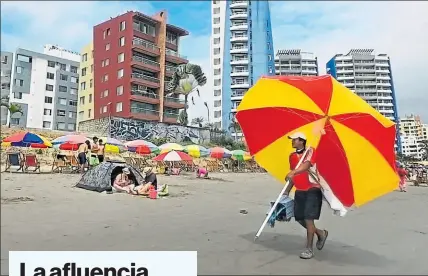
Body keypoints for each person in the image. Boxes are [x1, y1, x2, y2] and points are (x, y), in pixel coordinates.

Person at [284, 132, 328, 260]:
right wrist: (287, 190)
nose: (292, 141)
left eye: (294, 139)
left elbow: (307, 165)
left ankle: (309, 249)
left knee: (309, 219)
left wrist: (293, 171)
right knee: (299, 218)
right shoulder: (292, 156)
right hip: (300, 190)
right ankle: (320, 233)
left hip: (312, 189)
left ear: (302, 141)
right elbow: (294, 176)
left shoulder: (310, 151)